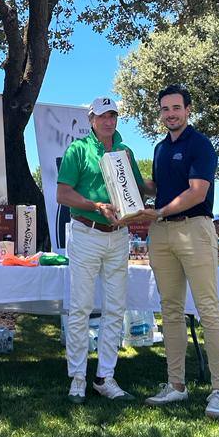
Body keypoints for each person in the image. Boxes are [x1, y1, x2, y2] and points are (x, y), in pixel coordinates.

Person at [139, 84, 219, 419]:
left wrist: (160, 211)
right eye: (164, 109)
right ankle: (175, 384)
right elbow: (158, 189)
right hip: (161, 234)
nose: (170, 114)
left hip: (195, 228)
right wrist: (127, 179)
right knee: (170, 310)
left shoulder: (201, 144)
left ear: (188, 110)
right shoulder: (161, 148)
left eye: (176, 108)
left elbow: (196, 192)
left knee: (208, 310)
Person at [56, 96, 147, 403]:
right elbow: (63, 193)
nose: (109, 121)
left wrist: (172, 182)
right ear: (91, 119)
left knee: (115, 309)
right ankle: (78, 377)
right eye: (103, 116)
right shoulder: (78, 150)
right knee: (81, 307)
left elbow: (136, 187)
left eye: (114, 116)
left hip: (119, 236)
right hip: (86, 233)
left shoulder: (125, 151)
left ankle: (104, 377)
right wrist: (95, 205)